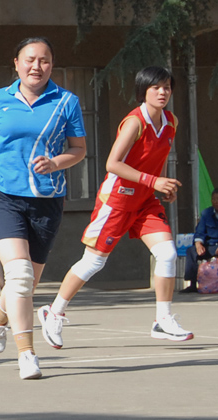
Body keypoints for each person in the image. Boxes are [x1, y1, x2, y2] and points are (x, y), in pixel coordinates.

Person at [38, 66, 193, 350]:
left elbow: (154, 161)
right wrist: (154, 181)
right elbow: (112, 164)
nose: (163, 92)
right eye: (156, 87)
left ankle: (162, 319)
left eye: (167, 87)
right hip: (118, 200)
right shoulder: (135, 122)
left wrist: (162, 186)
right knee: (94, 262)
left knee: (167, 253)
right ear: (143, 91)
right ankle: (54, 312)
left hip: (145, 200)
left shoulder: (171, 122)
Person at [0, 37, 87, 379]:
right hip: (2, 195)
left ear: (52, 65)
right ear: (16, 63)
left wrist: (57, 162)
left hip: (47, 200)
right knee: (18, 276)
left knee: (26, 284)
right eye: (30, 59)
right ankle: (27, 354)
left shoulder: (66, 102)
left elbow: (78, 149)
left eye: (44, 60)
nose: (37, 66)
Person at [181, 188, 218, 293]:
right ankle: (192, 284)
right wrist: (198, 243)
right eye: (213, 199)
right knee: (191, 251)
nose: (215, 201)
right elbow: (199, 231)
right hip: (210, 246)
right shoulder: (206, 213)